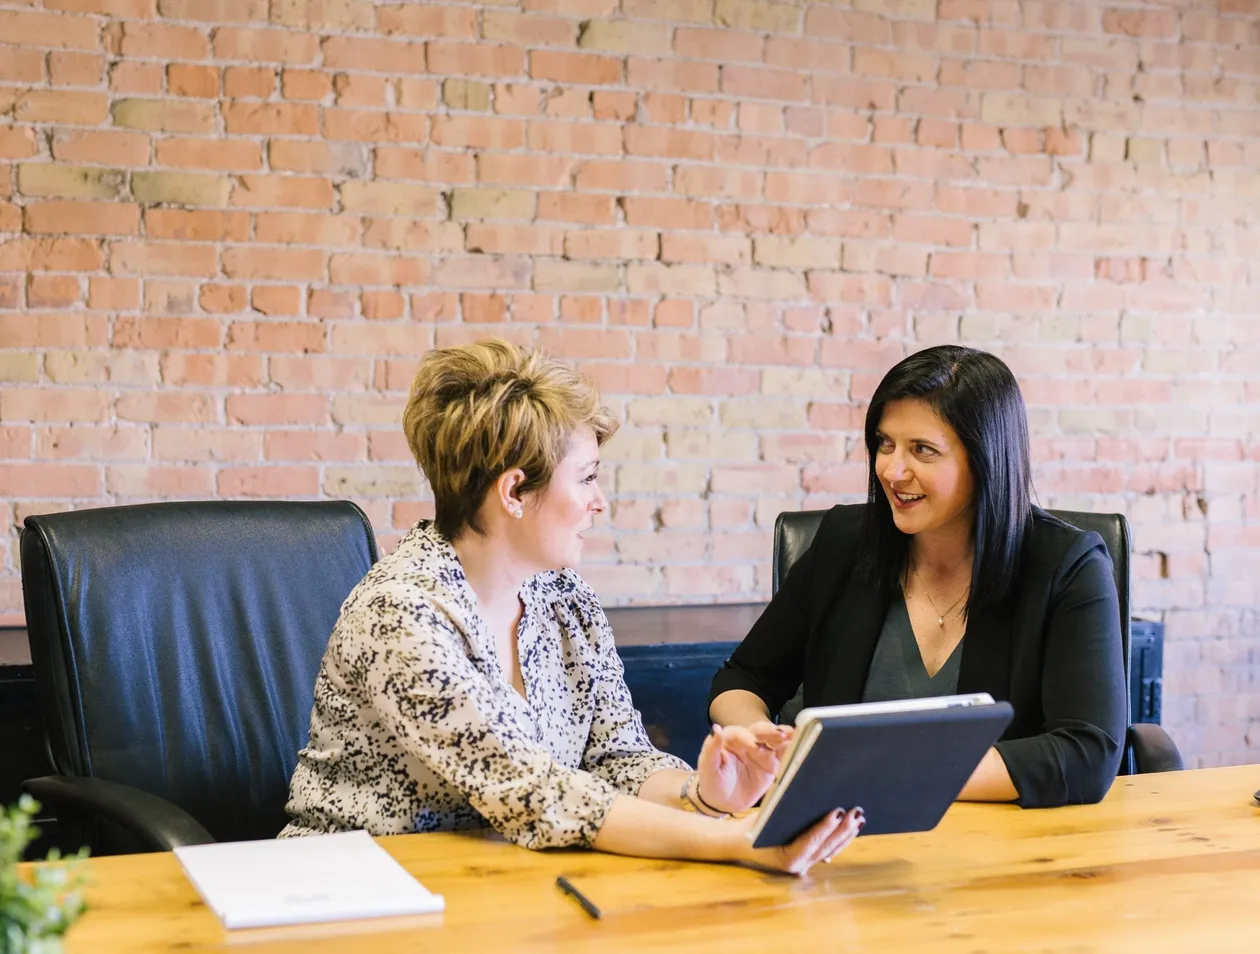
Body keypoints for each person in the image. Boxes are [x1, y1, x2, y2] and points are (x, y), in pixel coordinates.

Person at [281, 339, 862, 874]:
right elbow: (534, 791)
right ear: (514, 492)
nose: (599, 502)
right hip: (354, 890)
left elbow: (618, 756)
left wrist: (705, 795)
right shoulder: (401, 613)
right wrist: (739, 841)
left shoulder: (564, 598)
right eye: (586, 478)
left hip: (503, 883)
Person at [709, 345, 1127, 808]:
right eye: (885, 444)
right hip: (838, 837)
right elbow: (742, 678)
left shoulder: (1068, 566)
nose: (891, 470)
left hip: (999, 845)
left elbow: (1087, 752)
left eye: (922, 450)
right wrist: (757, 738)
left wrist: (884, 773)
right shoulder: (845, 543)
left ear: (986, 458)